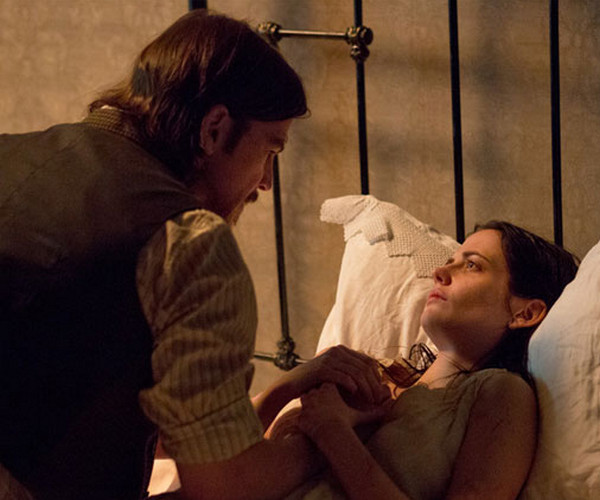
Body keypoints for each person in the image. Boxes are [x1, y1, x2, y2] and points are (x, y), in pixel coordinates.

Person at [0, 9, 389, 500]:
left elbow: (110, 419)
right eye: (270, 151)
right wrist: (334, 435)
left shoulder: (10, 154)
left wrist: (286, 388)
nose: (265, 182)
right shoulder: (189, 243)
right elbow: (227, 486)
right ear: (214, 129)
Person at [267, 221, 579, 500]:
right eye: (450, 261)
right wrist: (299, 383)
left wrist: (334, 434)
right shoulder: (372, 373)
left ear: (526, 313)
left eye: (472, 265)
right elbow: (251, 465)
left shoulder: (501, 391)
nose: (440, 273)